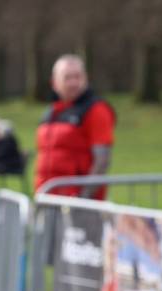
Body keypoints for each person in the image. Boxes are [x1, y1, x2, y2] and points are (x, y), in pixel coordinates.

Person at [34, 54, 115, 199]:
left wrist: (83, 198)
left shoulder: (96, 110)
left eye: (78, 77)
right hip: (47, 198)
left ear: (86, 79)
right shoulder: (51, 112)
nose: (73, 83)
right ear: (54, 82)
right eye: (67, 78)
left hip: (77, 201)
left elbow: (102, 161)